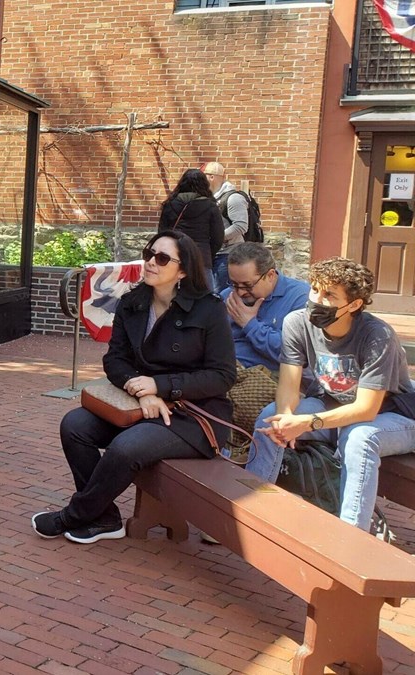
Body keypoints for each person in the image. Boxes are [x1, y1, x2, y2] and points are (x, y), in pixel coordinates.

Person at [33, 231, 236, 544]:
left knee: (126, 447)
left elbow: (222, 376)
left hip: (193, 416)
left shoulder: (209, 310)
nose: (151, 262)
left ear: (182, 271)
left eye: (162, 258)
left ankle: (74, 516)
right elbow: (114, 359)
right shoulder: (132, 303)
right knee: (74, 425)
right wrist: (139, 388)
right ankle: (105, 518)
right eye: (149, 253)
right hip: (139, 405)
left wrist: (161, 386)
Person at [246, 257, 415, 531]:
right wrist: (287, 419)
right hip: (331, 408)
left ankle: (351, 534)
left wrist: (307, 423)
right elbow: (288, 387)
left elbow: (366, 410)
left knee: (359, 437)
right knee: (271, 419)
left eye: (328, 295)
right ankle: (250, 509)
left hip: (394, 416)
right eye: (314, 289)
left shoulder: (377, 336)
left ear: (354, 304)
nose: (316, 299)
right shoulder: (297, 323)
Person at [220, 242, 310, 373]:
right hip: (227, 373)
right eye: (234, 284)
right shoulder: (228, 296)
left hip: (272, 380)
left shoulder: (300, 297)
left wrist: (250, 324)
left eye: (247, 285)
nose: (240, 292)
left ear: (270, 275)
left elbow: (294, 353)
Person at [158, 168, 224, 277]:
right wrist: (208, 252)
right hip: (201, 257)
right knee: (205, 292)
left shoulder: (170, 203)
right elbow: (218, 237)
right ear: (204, 184)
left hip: (174, 255)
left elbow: (162, 232)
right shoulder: (210, 205)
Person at [202, 161, 251, 292]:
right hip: (213, 254)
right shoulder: (211, 198)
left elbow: (241, 226)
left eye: (203, 175)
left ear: (211, 177)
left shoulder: (233, 198)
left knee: (221, 295)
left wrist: (218, 237)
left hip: (227, 255)